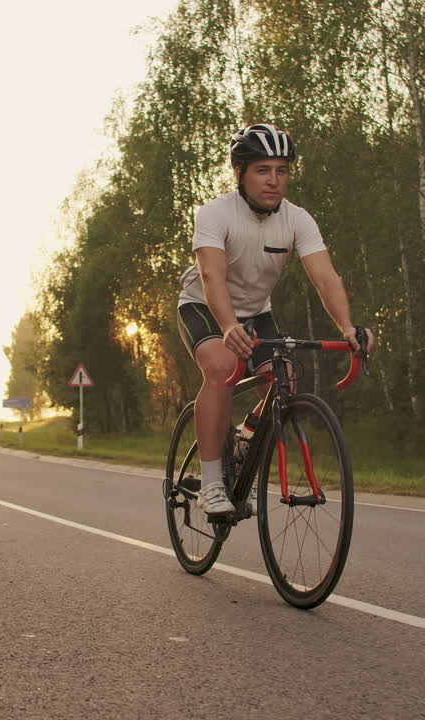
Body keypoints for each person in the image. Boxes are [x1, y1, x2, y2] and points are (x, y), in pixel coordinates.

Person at [176, 124, 374, 515]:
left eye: (281, 171)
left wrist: (349, 329)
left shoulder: (298, 220)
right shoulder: (214, 213)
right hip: (203, 305)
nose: (273, 181)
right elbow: (213, 278)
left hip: (256, 311)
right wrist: (229, 327)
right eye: (263, 170)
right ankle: (212, 483)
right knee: (221, 366)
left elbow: (325, 278)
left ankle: (245, 441)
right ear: (240, 174)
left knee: (285, 374)